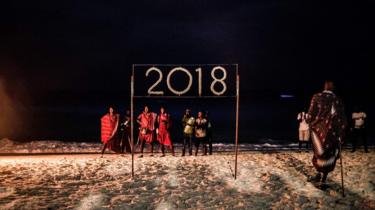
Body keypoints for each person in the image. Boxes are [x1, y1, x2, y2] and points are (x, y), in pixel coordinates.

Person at [307, 81, 347, 186]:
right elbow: (342, 118)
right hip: (332, 132)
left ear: (324, 87)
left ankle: (320, 177)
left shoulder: (317, 96)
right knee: (328, 154)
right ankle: (321, 177)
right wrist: (341, 133)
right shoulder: (337, 99)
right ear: (333, 88)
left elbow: (310, 114)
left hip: (318, 130)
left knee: (319, 153)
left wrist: (310, 124)